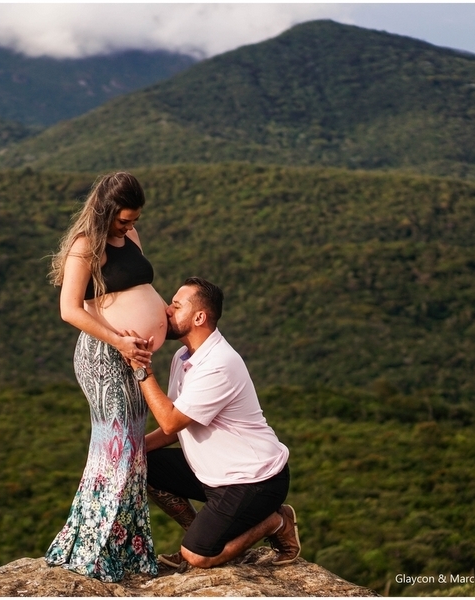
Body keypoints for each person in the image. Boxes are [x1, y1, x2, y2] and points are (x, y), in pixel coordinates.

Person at [124, 277, 301, 569]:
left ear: (199, 317)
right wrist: (132, 450)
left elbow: (169, 422)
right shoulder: (184, 356)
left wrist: (141, 369)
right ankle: (200, 534)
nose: (167, 311)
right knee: (141, 463)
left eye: (176, 306)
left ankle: (275, 521)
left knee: (199, 557)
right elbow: (176, 425)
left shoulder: (218, 364)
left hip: (253, 480)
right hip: (212, 473)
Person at [44, 172, 167, 582]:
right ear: (106, 210)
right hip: (102, 357)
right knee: (115, 449)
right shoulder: (85, 247)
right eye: (123, 220)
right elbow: (70, 309)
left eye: (133, 220)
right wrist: (119, 340)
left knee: (131, 451)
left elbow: (139, 287)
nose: (129, 227)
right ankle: (94, 551)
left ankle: (126, 551)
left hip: (132, 357)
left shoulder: (131, 238)